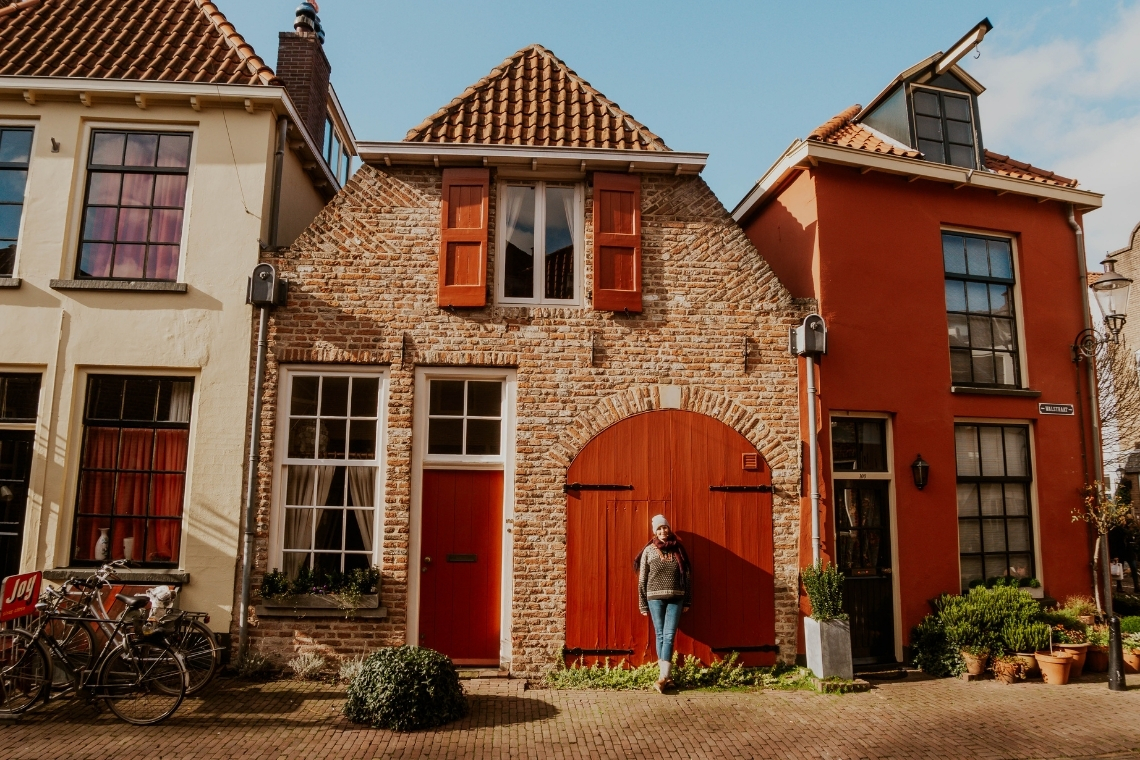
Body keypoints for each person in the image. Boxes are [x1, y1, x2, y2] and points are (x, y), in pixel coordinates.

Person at [638, 514, 691, 693]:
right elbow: (642, 579)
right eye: (659, 529)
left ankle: (662, 678)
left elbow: (688, 577)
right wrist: (642, 604)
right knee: (660, 634)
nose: (662, 531)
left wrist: (688, 600)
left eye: (665, 527)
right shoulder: (649, 551)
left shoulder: (679, 549)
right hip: (655, 598)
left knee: (668, 636)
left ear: (669, 529)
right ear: (655, 531)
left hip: (677, 597)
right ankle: (667, 678)